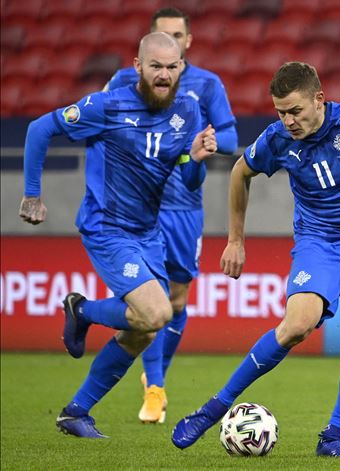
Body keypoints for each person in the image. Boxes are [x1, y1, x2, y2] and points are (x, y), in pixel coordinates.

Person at [170, 62, 340, 458]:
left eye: (295, 110)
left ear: (319, 99)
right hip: (318, 243)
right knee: (296, 325)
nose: (288, 120)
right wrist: (235, 240)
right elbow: (239, 173)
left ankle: (332, 436)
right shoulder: (277, 140)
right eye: (280, 111)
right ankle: (213, 408)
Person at [19, 32, 217, 438]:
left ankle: (76, 411)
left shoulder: (188, 113)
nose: (164, 75)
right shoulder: (106, 105)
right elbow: (40, 129)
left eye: (172, 66)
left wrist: (197, 160)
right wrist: (33, 195)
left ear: (182, 67)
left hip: (148, 233)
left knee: (142, 330)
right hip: (107, 227)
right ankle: (85, 312)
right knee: (158, 313)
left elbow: (190, 178)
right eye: (156, 66)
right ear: (138, 66)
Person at [105, 7, 238, 425]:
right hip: (139, 206)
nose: (173, 43)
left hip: (184, 207)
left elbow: (232, 137)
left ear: (188, 42)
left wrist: (210, 140)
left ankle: (151, 374)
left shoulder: (206, 85)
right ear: (147, 45)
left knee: (176, 300)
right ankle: (155, 388)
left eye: (178, 36)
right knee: (153, 298)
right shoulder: (125, 84)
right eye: (164, 36)